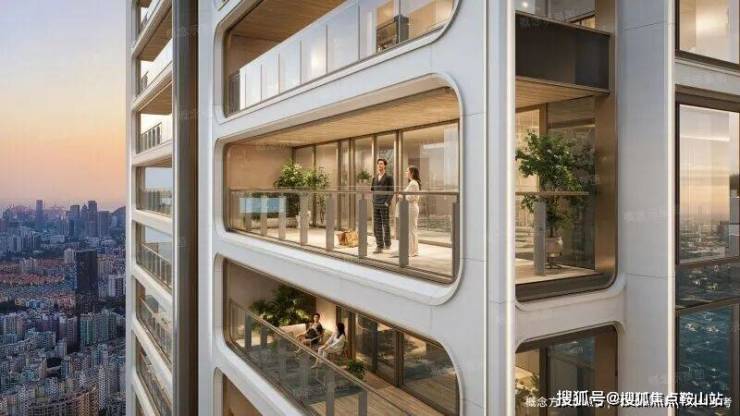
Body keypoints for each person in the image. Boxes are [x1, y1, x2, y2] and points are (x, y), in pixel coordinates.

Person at [392, 166, 421, 257]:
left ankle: (411, 251)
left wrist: (401, 195)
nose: (405, 173)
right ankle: (413, 250)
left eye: (407, 171)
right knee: (412, 230)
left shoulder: (413, 183)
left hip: (411, 208)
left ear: (412, 173)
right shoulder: (412, 183)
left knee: (411, 230)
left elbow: (411, 197)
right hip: (411, 208)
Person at [370, 158, 394, 253]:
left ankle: (387, 243)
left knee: (385, 224)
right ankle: (379, 245)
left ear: (385, 165)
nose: (379, 165)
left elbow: (391, 191)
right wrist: (373, 200)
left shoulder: (389, 177)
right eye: (378, 164)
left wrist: (387, 202)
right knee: (377, 225)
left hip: (384, 204)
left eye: (381, 164)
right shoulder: (374, 177)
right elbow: (372, 190)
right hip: (376, 203)